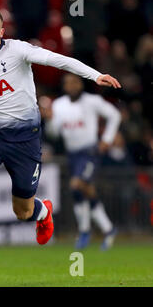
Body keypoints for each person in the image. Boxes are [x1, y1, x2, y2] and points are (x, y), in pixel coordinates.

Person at [0, 6, 121, 275]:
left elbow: (58, 59)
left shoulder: (18, 50)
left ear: (2, 32)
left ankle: (42, 211)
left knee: (23, 211)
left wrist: (95, 75)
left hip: (25, 140)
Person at [42, 73, 121, 250]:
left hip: (89, 152)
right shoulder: (59, 105)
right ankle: (108, 229)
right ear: (64, 86)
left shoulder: (92, 101)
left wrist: (107, 139)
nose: (71, 86)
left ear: (80, 84)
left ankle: (85, 230)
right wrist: (49, 119)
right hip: (73, 154)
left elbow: (114, 115)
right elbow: (55, 134)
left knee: (76, 185)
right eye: (68, 83)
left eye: (74, 82)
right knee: (84, 191)